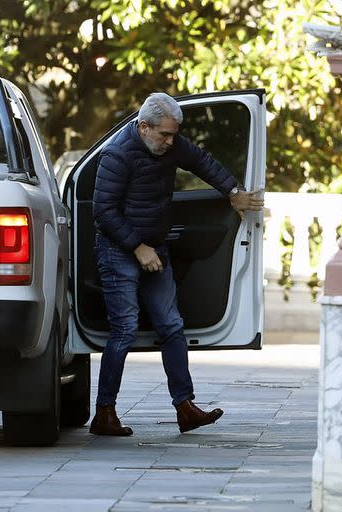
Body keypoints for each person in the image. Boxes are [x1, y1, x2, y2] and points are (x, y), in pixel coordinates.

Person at [90, 92, 264, 436]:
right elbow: (103, 212)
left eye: (174, 134)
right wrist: (138, 247)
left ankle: (185, 408)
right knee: (124, 328)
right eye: (165, 134)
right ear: (143, 127)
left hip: (154, 248)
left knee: (171, 325)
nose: (171, 142)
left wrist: (232, 192)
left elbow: (202, 162)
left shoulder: (171, 145)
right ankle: (104, 413)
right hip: (119, 250)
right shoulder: (117, 154)